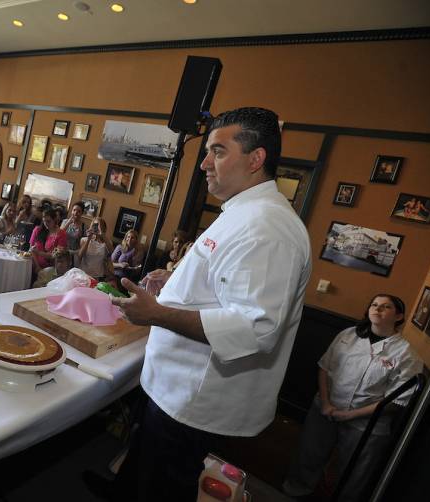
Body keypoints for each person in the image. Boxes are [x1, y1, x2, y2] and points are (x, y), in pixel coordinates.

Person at [107, 107, 312, 501]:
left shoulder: (267, 227)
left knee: (162, 485)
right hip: (171, 383)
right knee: (141, 468)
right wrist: (177, 280)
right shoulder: (242, 210)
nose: (203, 164)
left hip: (192, 397)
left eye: (217, 152)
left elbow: (256, 327)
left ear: (256, 159)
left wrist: (157, 313)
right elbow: (223, 281)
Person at [283, 294, 423, 501]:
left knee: (354, 472)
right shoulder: (348, 335)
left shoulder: (406, 354)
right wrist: (326, 402)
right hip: (326, 408)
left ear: (399, 316)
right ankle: (296, 490)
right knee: (310, 454)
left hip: (367, 422)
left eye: (386, 307)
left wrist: (351, 415)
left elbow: (396, 400)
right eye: (374, 304)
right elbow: (324, 367)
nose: (378, 309)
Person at [29, 208, 67, 273]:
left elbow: (56, 255)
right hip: (34, 264)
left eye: (48, 221)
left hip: (50, 269)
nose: (46, 223)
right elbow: (31, 249)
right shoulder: (37, 230)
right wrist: (37, 266)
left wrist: (39, 252)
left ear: (55, 220)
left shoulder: (61, 234)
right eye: (44, 221)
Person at [77, 217, 114, 282]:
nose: (97, 227)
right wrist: (89, 239)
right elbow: (80, 256)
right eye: (95, 225)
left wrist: (102, 235)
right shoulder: (84, 240)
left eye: (100, 225)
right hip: (83, 274)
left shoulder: (107, 242)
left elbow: (111, 251)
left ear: (104, 228)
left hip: (98, 276)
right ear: (91, 226)